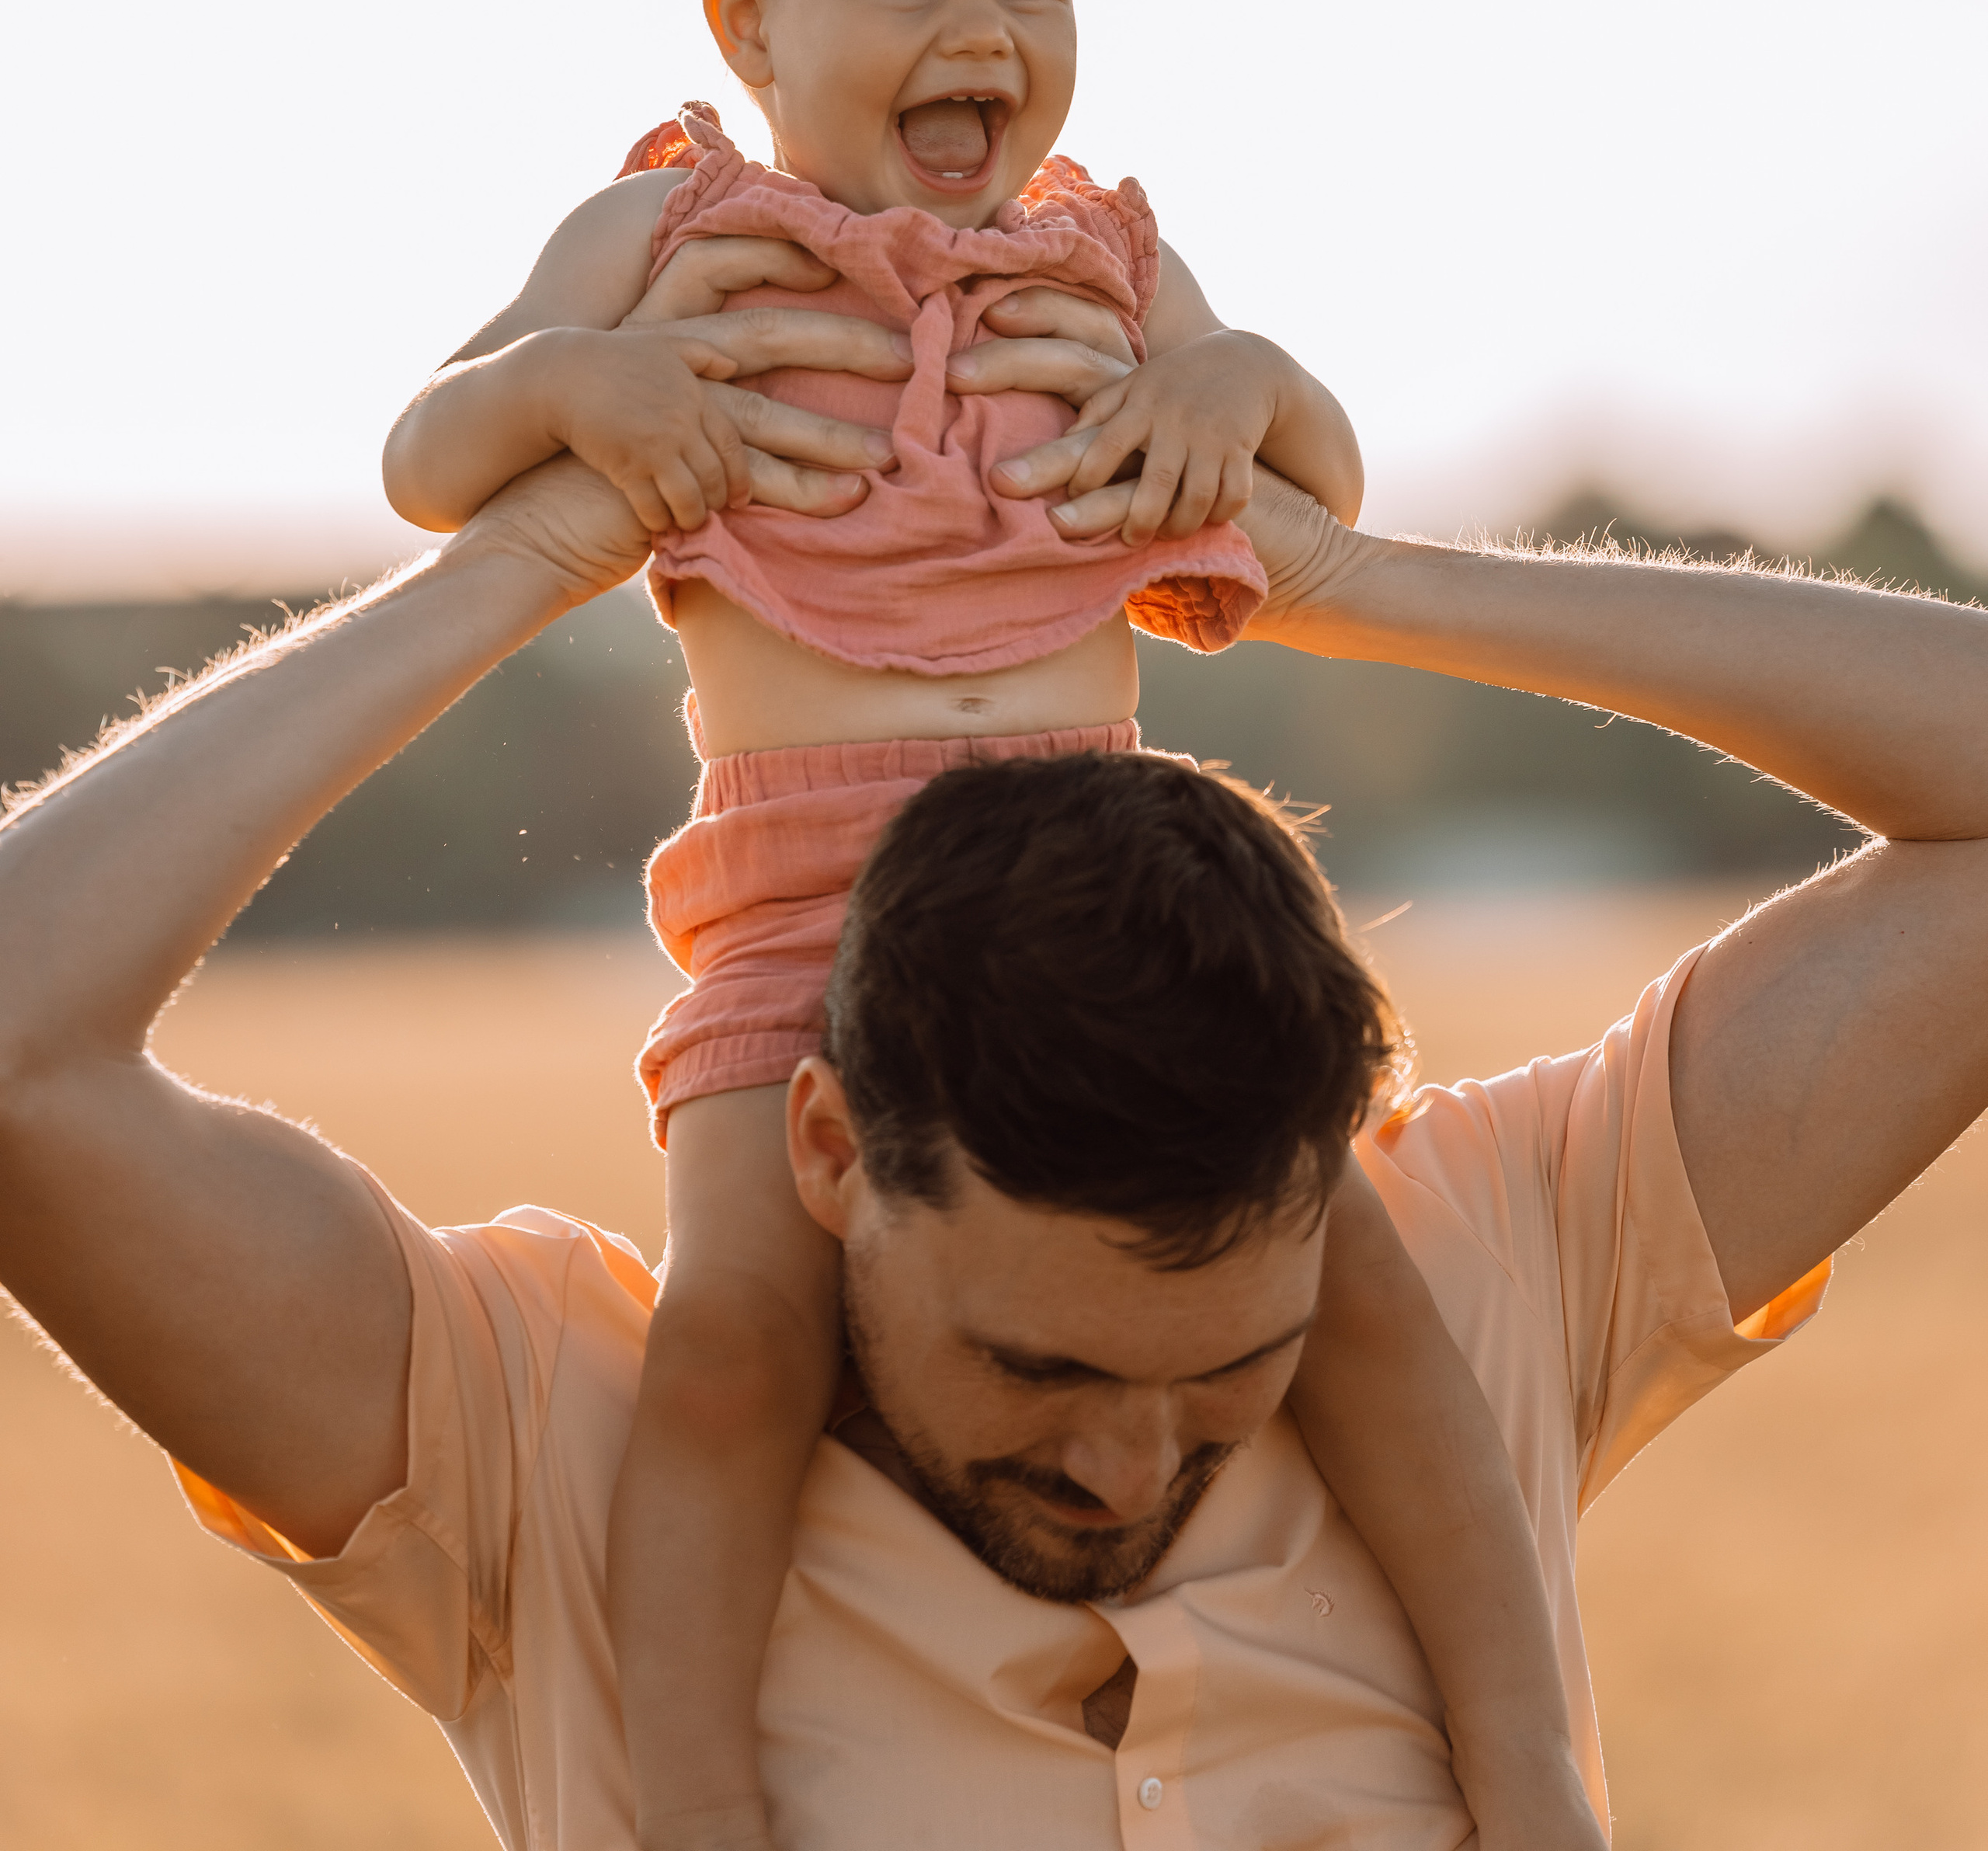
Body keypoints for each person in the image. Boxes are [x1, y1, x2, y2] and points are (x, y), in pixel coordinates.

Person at [3, 443, 1986, 1848]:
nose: (1131, 1470)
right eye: (1037, 1364)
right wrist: (522, 562)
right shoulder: (541, 1452)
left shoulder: (1482, 1273)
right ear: (827, 1148)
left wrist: (1336, 583)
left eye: (1234, 1372)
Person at [378, 0, 1597, 1851]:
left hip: (1098, 894)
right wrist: (586, 381)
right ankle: (695, 1804)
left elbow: (1319, 472)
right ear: (750, 23)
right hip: (797, 917)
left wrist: (1232, 376)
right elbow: (427, 457)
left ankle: (1535, 1782)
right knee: (739, 1350)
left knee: (1370, 1305)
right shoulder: (672, 248)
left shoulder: (1105, 259)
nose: (989, 30)